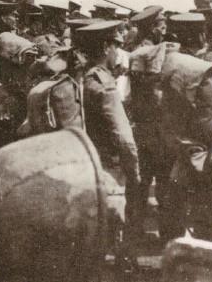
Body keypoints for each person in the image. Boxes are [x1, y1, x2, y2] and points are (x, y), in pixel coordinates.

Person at [76, 20, 142, 270]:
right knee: (113, 238)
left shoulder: (83, 76)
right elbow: (123, 137)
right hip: (110, 170)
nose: (119, 49)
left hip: (86, 163)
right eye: (116, 44)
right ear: (105, 47)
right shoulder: (105, 85)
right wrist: (134, 171)